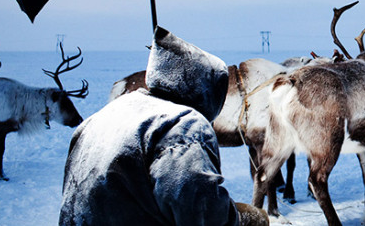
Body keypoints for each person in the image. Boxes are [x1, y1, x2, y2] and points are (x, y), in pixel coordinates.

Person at [60, 27, 268, 226]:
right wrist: (244, 218)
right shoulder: (182, 126)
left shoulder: (100, 118)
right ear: (206, 88)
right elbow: (201, 213)